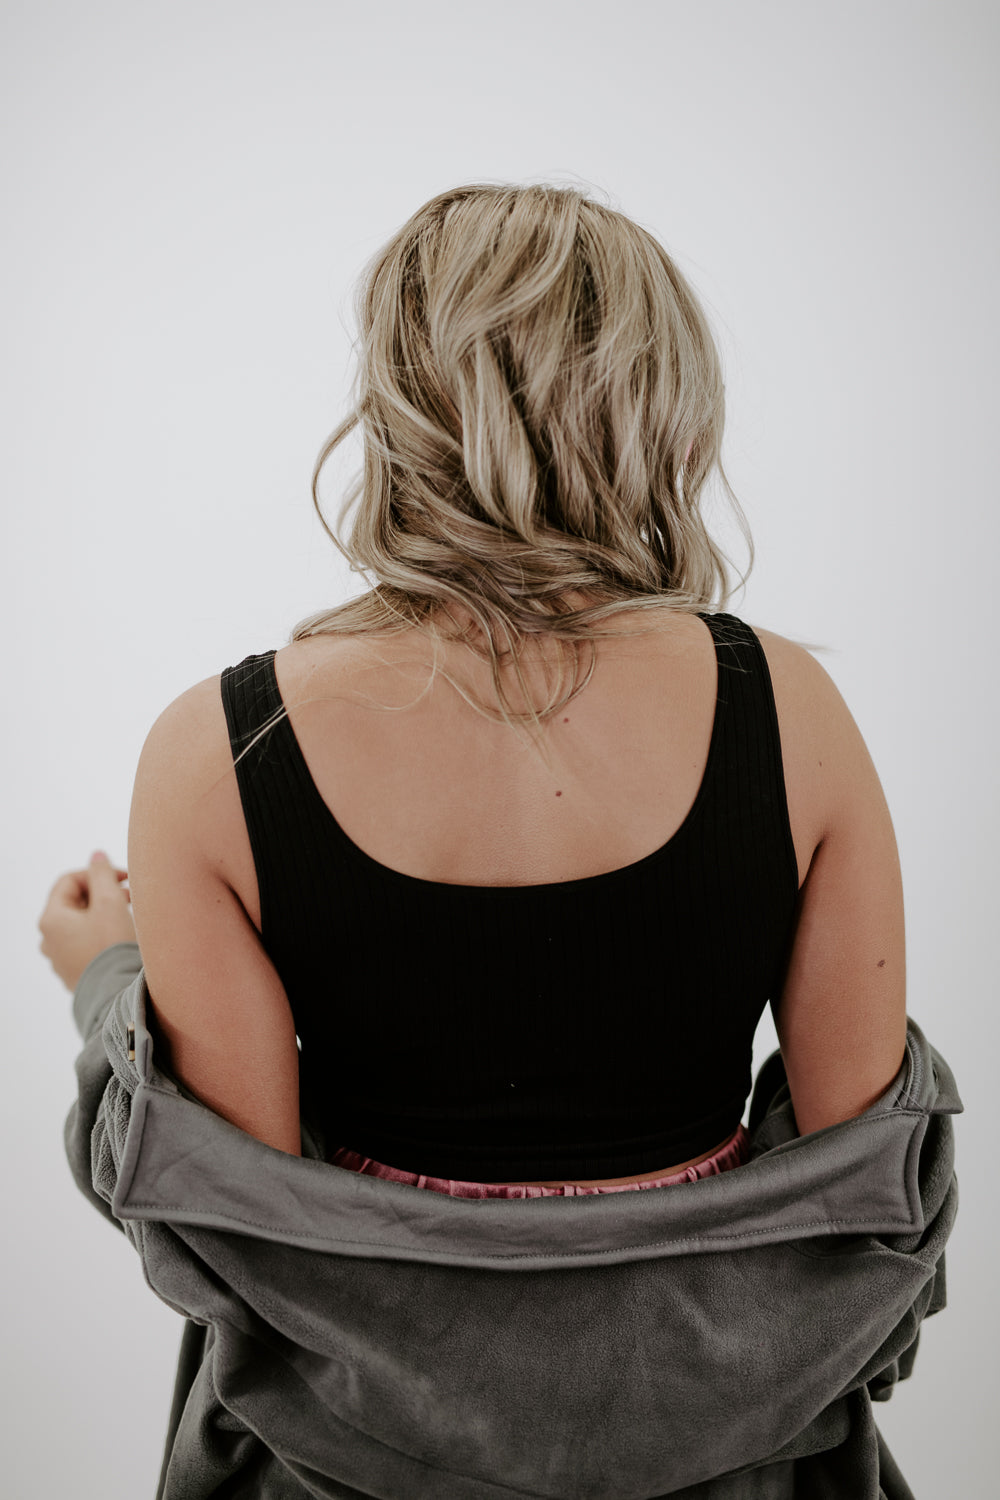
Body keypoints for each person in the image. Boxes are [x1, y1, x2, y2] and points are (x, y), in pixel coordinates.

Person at [40, 179, 906, 1201]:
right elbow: (866, 1197)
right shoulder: (789, 707)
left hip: (367, 1320)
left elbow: (239, 1230)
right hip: (726, 1317)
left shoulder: (217, 752)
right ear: (664, 402)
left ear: (398, 409)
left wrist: (109, 974)